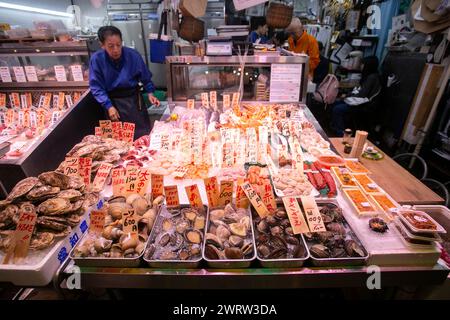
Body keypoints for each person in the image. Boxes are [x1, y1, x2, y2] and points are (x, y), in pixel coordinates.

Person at [89, 26, 160, 140]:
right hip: (112, 103)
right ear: (102, 45)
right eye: (111, 46)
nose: (116, 49)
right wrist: (108, 106)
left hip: (133, 101)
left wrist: (150, 92)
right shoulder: (97, 59)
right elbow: (96, 87)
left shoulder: (133, 55)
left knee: (141, 138)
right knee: (117, 141)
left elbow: (145, 77)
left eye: (118, 44)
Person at [331, 56, 381, 136]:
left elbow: (362, 95)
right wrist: (348, 95)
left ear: (368, 65)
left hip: (365, 106)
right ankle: (336, 127)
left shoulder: (372, 78)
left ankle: (341, 133)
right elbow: (360, 91)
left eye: (362, 64)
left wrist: (347, 96)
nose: (361, 66)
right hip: (361, 102)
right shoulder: (370, 76)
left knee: (338, 109)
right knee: (337, 103)